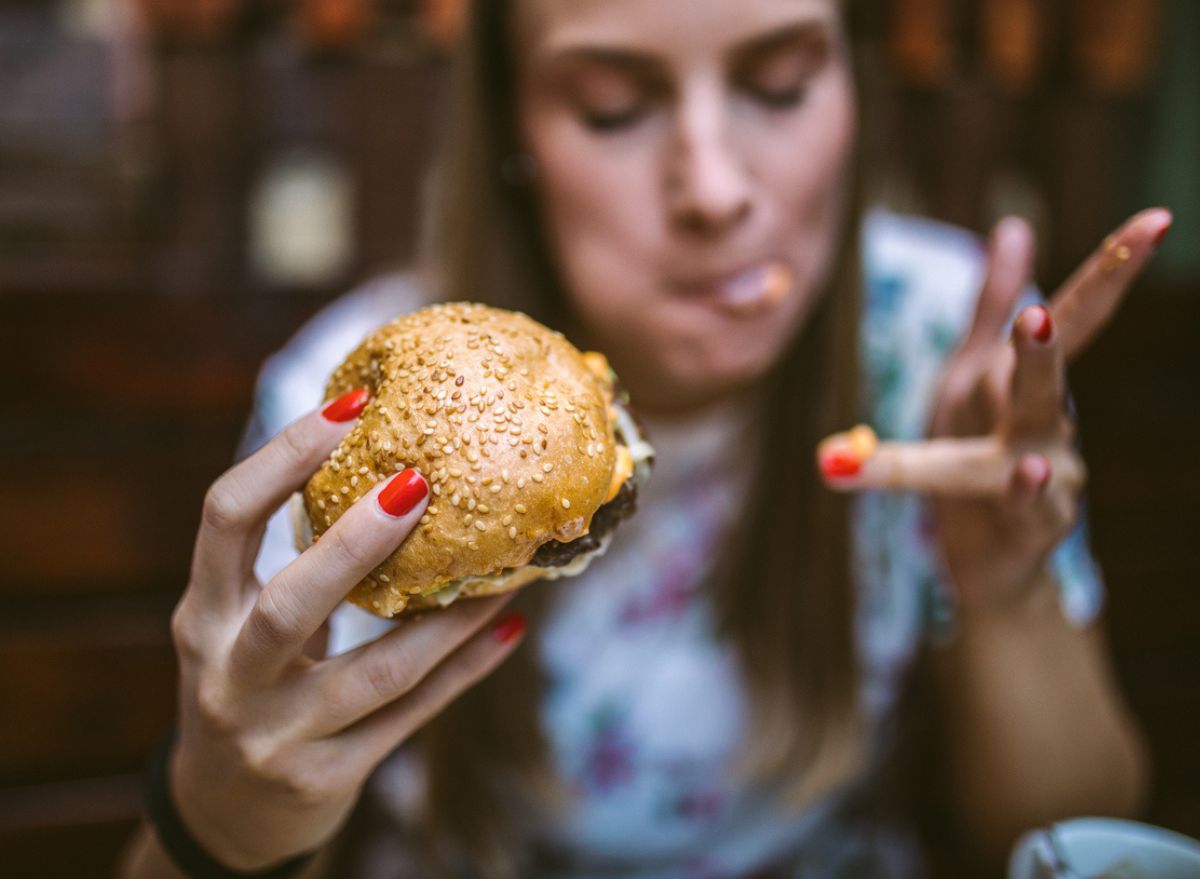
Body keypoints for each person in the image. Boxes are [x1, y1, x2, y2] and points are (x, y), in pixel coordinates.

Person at [120, 0, 1167, 876]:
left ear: (857, 89)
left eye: (783, 86)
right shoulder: (350, 413)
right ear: (516, 134)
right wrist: (224, 815)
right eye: (614, 108)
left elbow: (1067, 835)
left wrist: (1009, 596)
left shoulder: (948, 344)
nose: (715, 191)